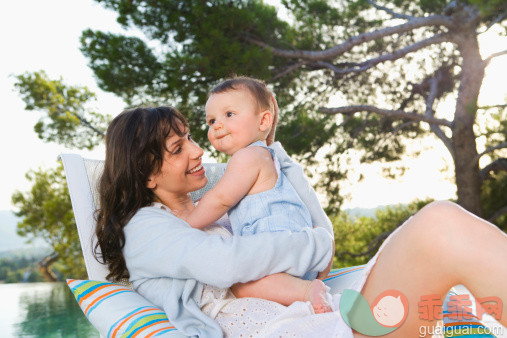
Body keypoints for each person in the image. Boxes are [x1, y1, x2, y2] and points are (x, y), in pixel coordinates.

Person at [95, 105, 507, 337]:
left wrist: (267, 145)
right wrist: (316, 244)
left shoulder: (208, 196)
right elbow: (228, 264)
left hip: (319, 312)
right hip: (287, 328)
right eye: (177, 146)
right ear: (147, 173)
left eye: (190, 136)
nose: (199, 150)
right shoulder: (145, 228)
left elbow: (284, 180)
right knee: (440, 225)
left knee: (450, 295)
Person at [173, 77, 332, 314]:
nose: (217, 125)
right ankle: (304, 289)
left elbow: (220, 200)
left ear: (264, 120)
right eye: (211, 120)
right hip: (297, 256)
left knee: (240, 286)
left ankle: (307, 292)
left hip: (277, 246)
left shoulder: (247, 157)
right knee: (250, 286)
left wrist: (185, 224)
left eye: (229, 114)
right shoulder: (266, 156)